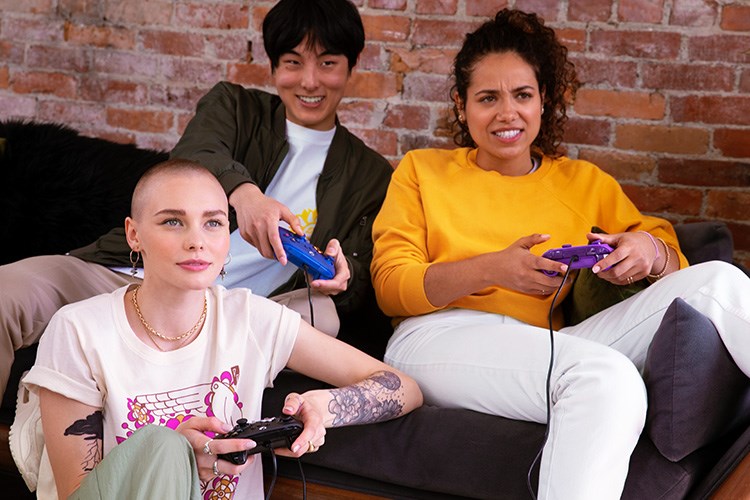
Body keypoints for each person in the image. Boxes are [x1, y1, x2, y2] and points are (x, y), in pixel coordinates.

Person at [370, 9, 750, 500]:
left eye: (522, 95)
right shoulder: (424, 171)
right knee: (607, 381)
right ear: (462, 108)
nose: (508, 113)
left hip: (552, 345)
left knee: (718, 280)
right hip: (438, 339)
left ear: (543, 102)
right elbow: (390, 288)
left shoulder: (583, 182)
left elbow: (672, 256)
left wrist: (649, 251)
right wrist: (496, 268)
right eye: (488, 98)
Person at [0, 0, 392, 400]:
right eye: (293, 63)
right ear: (274, 67)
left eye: (327, 64)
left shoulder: (371, 175)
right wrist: (246, 195)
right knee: (5, 293)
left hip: (232, 317)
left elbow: (361, 274)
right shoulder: (234, 107)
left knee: (323, 316)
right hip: (130, 277)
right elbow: (194, 156)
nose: (309, 81)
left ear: (352, 64)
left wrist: (343, 275)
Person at [12, 159, 422, 500]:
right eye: (173, 222)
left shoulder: (253, 319)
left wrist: (326, 408)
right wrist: (178, 457)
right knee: (164, 445)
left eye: (212, 223)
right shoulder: (80, 329)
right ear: (134, 234)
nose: (197, 241)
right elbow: (76, 492)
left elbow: (402, 387)